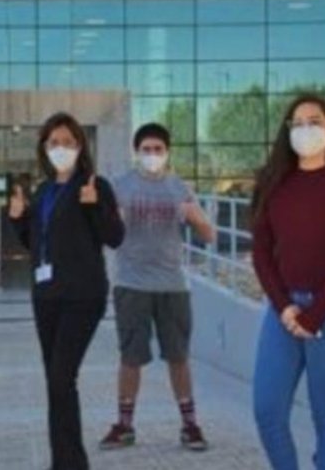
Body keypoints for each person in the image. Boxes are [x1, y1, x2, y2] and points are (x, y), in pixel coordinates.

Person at [250, 95, 325, 470]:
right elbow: (261, 253)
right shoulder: (272, 184)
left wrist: (314, 317)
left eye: (314, 121)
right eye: (297, 123)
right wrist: (285, 307)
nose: (306, 129)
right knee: (267, 410)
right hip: (283, 312)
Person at [9, 112, 125, 470]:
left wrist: (93, 207)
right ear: (45, 148)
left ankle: (71, 464)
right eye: (54, 142)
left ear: (80, 146)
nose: (62, 148)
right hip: (46, 297)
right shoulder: (44, 190)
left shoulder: (94, 184)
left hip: (82, 296)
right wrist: (17, 218)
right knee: (56, 383)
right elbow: (35, 243)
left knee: (62, 377)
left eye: (69, 142)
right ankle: (63, 460)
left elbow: (114, 236)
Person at [100, 123, 216, 452]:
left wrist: (196, 216)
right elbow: (105, 232)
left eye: (158, 150)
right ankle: (124, 425)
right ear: (136, 153)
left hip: (172, 286)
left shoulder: (180, 188)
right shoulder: (119, 186)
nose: (152, 155)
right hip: (131, 284)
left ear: (167, 153)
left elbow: (209, 236)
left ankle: (190, 424)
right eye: (146, 150)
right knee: (130, 357)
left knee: (178, 357)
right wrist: (112, 217)